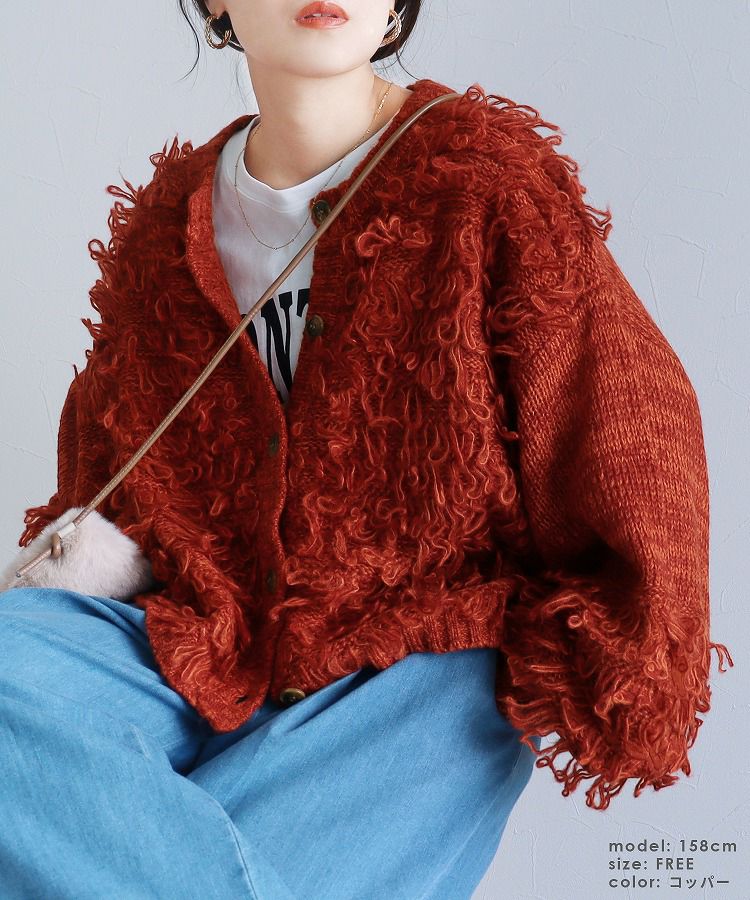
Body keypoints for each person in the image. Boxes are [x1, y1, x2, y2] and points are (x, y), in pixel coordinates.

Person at [0, 2, 732, 899]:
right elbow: (112, 467)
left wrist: (628, 659)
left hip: (418, 664)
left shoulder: (483, 180)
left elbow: (622, 421)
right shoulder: (168, 225)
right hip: (192, 639)